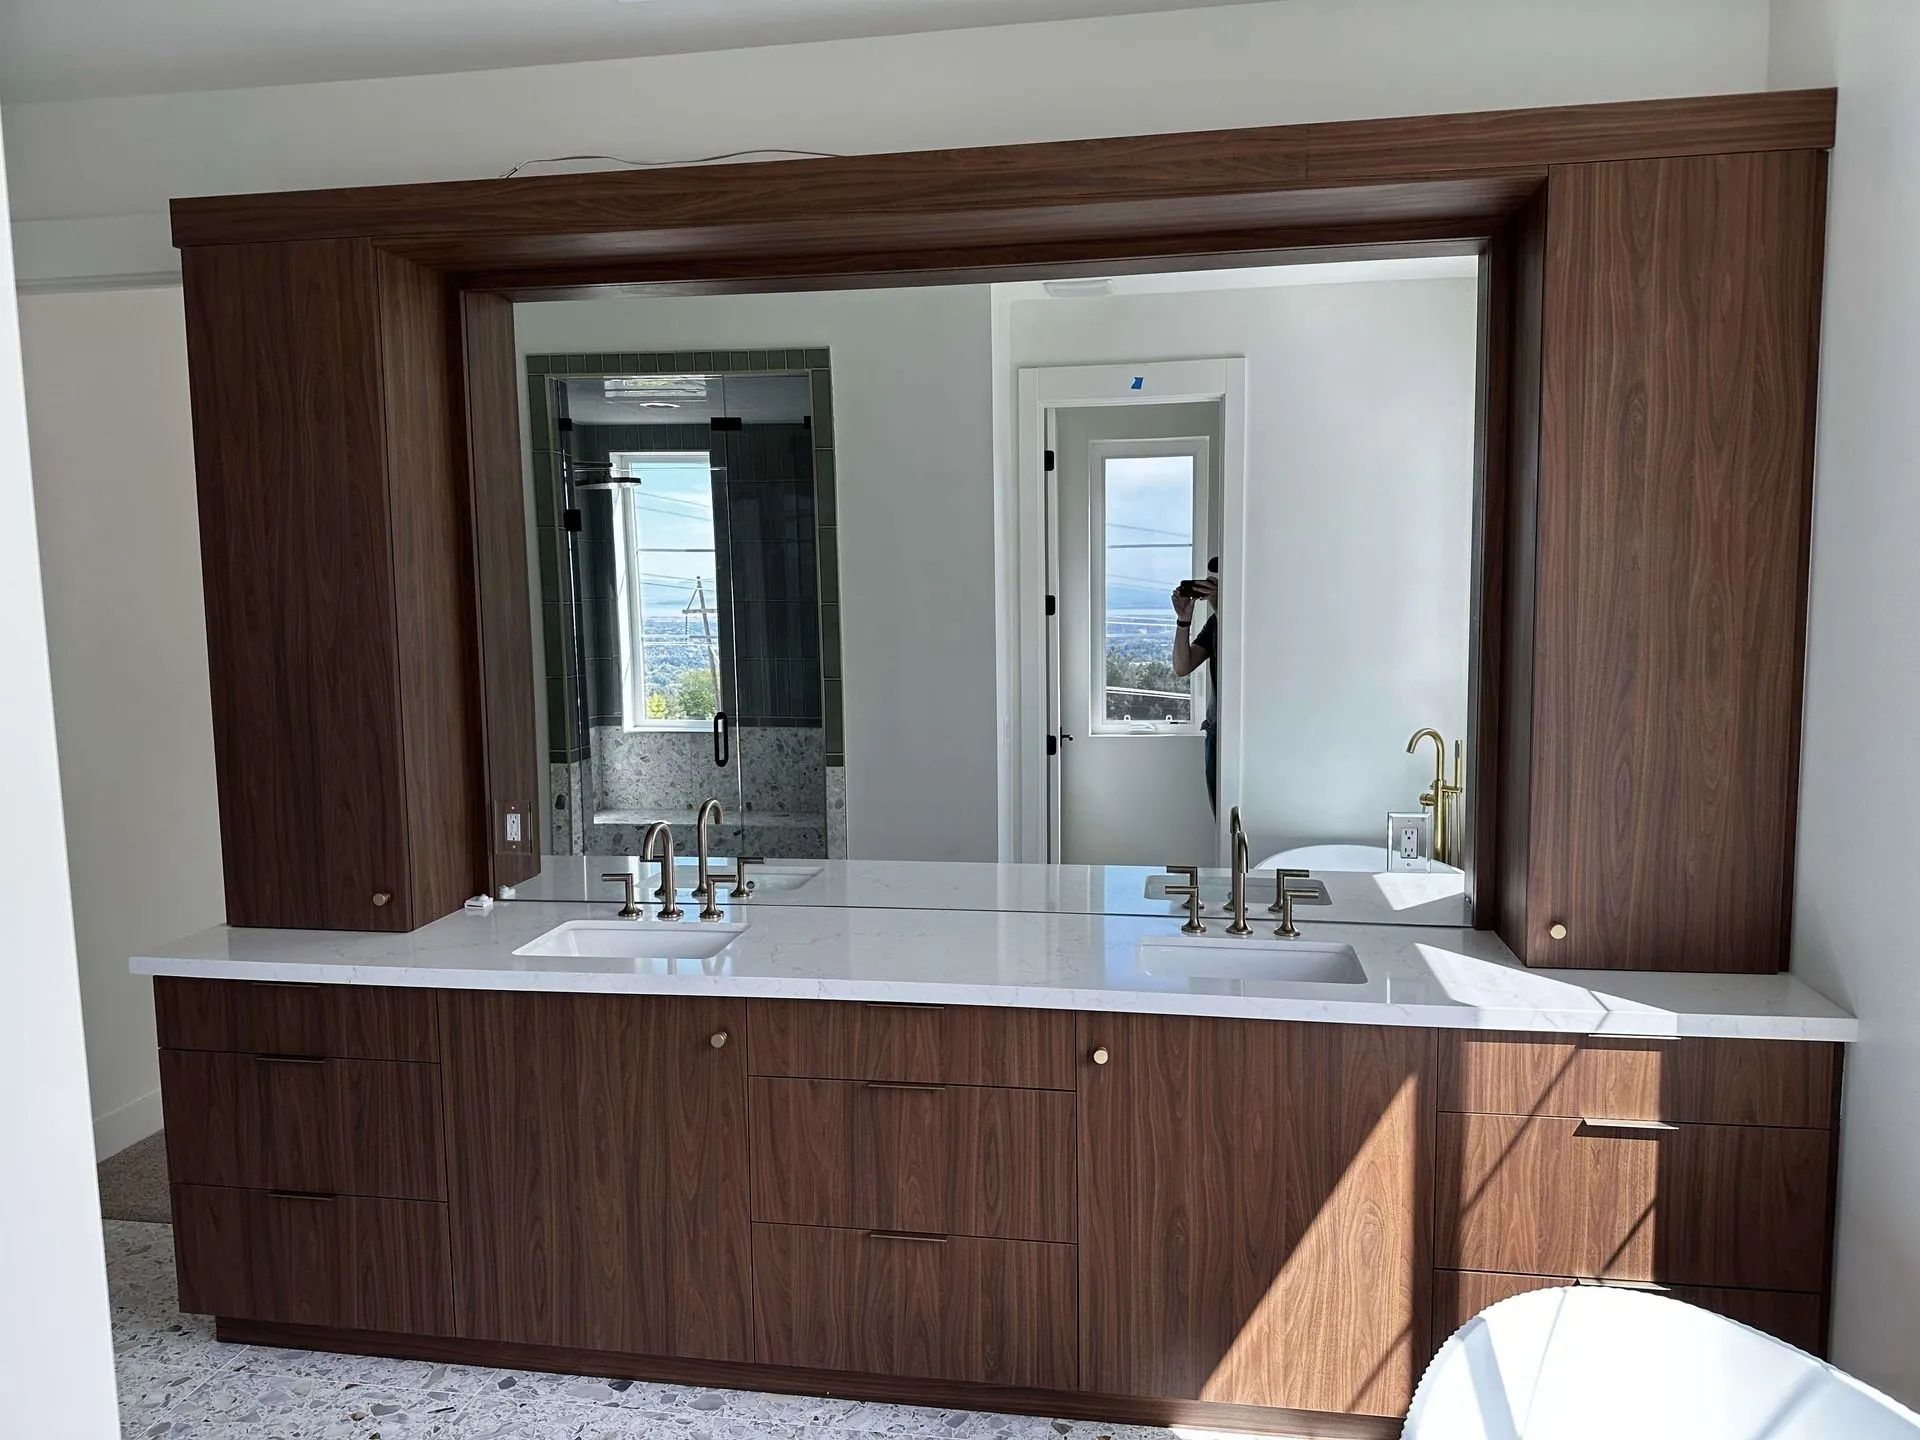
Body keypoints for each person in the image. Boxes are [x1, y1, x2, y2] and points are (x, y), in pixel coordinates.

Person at [1171, 559, 1221, 810]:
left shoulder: (1253, 618)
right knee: (1222, 822)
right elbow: (1182, 666)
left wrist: (1219, 604)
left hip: (1245, 735)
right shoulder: (1215, 623)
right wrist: (1183, 620)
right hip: (1216, 731)